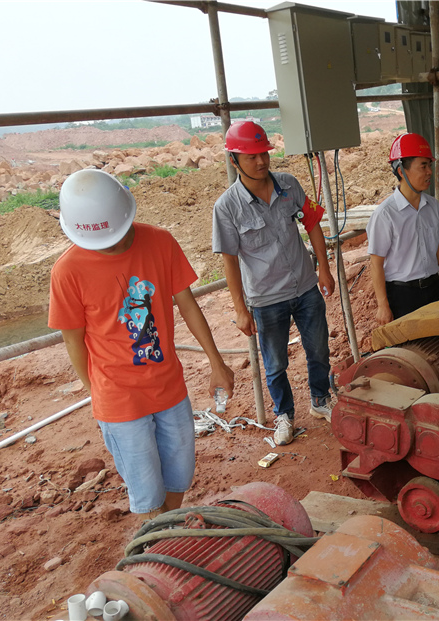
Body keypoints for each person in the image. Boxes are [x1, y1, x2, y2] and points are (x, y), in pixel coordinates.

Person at [49, 169, 234, 518]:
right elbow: (73, 342)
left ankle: (164, 535)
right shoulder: (68, 271)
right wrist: (99, 394)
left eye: (115, 238)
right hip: (119, 399)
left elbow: (188, 305)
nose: (112, 246)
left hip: (168, 387)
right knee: (148, 494)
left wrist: (216, 362)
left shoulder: (160, 242)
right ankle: (160, 547)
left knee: (179, 476)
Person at [212, 121, 334, 446]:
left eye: (264, 153)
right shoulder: (227, 208)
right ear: (234, 160)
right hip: (266, 299)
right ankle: (285, 414)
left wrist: (323, 268)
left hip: (306, 287)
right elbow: (229, 261)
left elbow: (312, 224)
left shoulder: (289, 186)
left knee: (319, 350)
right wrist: (240, 309)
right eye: (252, 157)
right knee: (276, 363)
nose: (262, 161)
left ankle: (321, 400)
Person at [366, 133, 439, 325]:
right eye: (423, 166)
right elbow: (376, 263)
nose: (429, 172)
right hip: (403, 296)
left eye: (430, 165)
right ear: (401, 171)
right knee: (412, 352)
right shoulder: (386, 214)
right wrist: (383, 305)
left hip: (433, 289)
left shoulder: (433, 206)